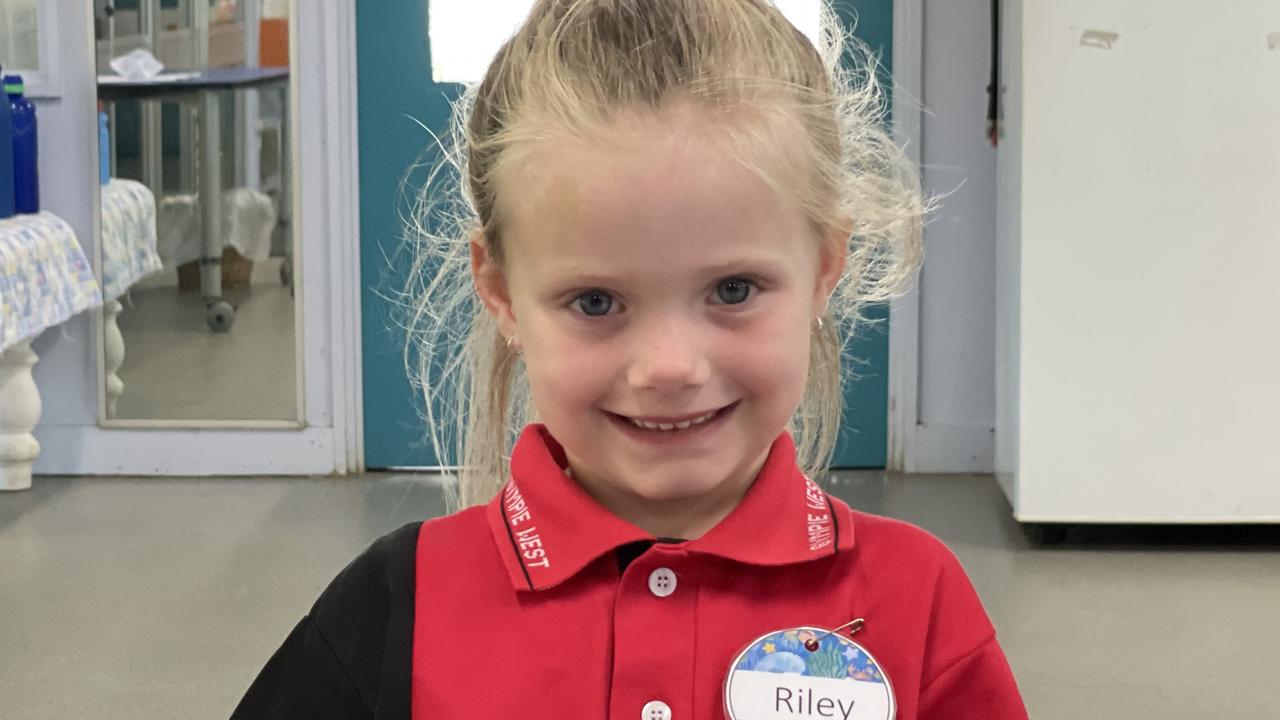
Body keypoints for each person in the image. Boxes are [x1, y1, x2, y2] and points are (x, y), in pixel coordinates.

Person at [231, 1, 1028, 718]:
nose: (670, 366)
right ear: (502, 292)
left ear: (824, 267)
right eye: (596, 303)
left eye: (734, 289)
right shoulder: (394, 610)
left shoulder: (916, 604)